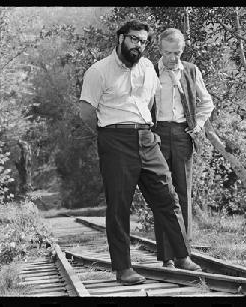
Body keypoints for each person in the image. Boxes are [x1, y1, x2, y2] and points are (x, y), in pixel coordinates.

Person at [78, 20, 201, 286]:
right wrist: (107, 135)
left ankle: (182, 256)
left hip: (146, 137)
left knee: (168, 197)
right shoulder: (98, 71)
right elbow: (86, 111)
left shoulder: (147, 68)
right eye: (134, 39)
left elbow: (150, 101)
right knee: (120, 206)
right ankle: (123, 269)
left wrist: (146, 129)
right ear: (121, 38)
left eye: (143, 41)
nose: (139, 45)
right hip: (115, 140)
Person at [151, 28, 214, 268]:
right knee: (162, 194)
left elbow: (206, 102)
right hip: (156, 135)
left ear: (182, 50)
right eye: (168, 53)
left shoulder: (191, 70)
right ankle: (167, 257)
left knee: (183, 194)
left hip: (181, 135)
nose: (173, 58)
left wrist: (197, 126)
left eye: (177, 52)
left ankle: (183, 256)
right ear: (160, 50)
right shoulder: (149, 71)